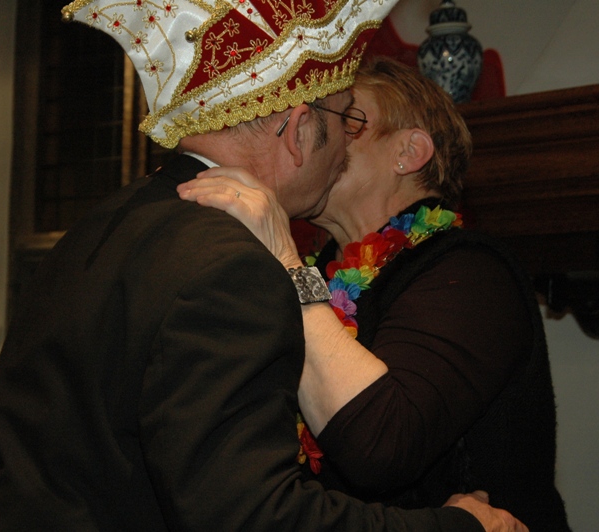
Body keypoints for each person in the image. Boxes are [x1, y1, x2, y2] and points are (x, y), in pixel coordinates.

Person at [0, 1, 525, 530]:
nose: (344, 147)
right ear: (298, 129)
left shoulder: (108, 221)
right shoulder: (231, 264)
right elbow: (252, 517)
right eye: (342, 121)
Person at [178, 57, 569, 530]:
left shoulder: (471, 269)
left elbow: (383, 446)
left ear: (409, 151)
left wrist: (285, 261)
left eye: (347, 118)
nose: (321, 134)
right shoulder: (321, 270)